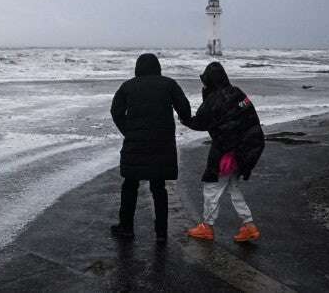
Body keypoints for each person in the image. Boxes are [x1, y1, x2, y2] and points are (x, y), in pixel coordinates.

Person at [110, 53, 191, 243]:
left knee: (130, 185)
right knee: (159, 188)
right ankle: (161, 233)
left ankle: (126, 228)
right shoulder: (169, 84)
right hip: (162, 144)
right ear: (158, 67)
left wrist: (128, 131)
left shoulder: (128, 86)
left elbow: (115, 111)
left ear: (137, 68)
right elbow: (185, 110)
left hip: (134, 145)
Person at [183, 61, 265, 242]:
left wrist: (184, 118)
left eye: (205, 82)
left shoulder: (215, 100)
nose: (203, 85)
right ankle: (249, 226)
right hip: (251, 146)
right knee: (232, 187)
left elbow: (200, 122)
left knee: (212, 187)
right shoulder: (237, 92)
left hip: (229, 152)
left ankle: (207, 227)